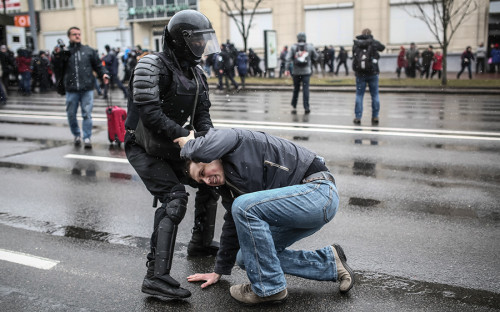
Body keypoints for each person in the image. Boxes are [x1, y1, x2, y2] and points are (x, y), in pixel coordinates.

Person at [174, 127, 354, 305]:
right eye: (202, 180)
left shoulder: (233, 139)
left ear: (212, 155)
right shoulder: (229, 185)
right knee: (247, 258)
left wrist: (188, 144)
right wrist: (218, 270)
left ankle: (270, 288)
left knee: (243, 207)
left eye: (203, 172)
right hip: (300, 207)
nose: (207, 180)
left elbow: (203, 150)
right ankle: (329, 262)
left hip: (318, 192)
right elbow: (232, 223)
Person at [124, 9, 222, 300]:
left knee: (210, 181)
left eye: (205, 41)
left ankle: (200, 244)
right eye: (198, 41)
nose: (203, 46)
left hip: (173, 143)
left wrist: (211, 147)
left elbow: (203, 117)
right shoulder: (150, 65)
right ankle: (155, 277)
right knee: (174, 198)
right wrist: (182, 135)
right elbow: (150, 113)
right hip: (144, 146)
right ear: (181, 39)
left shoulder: (196, 73)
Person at [58, 27, 109, 148]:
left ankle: (87, 137)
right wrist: (58, 55)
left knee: (87, 114)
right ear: (69, 36)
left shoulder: (88, 50)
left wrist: (104, 73)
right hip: (71, 89)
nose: (77, 36)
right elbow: (57, 67)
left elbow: (98, 65)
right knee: (71, 114)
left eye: (79, 34)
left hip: (87, 88)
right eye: (74, 34)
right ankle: (76, 135)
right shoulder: (65, 53)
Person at [352, 28, 385, 125]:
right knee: (375, 95)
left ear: (361, 34)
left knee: (359, 95)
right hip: (373, 73)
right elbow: (382, 48)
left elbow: (354, 56)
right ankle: (375, 116)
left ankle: (358, 117)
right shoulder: (373, 43)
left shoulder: (357, 43)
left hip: (360, 74)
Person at [285, 32, 319, 115]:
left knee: (296, 89)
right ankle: (306, 107)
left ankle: (294, 105)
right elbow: (316, 57)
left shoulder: (293, 47)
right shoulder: (310, 46)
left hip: (296, 72)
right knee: (305, 90)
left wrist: (286, 69)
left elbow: (287, 58)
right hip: (306, 72)